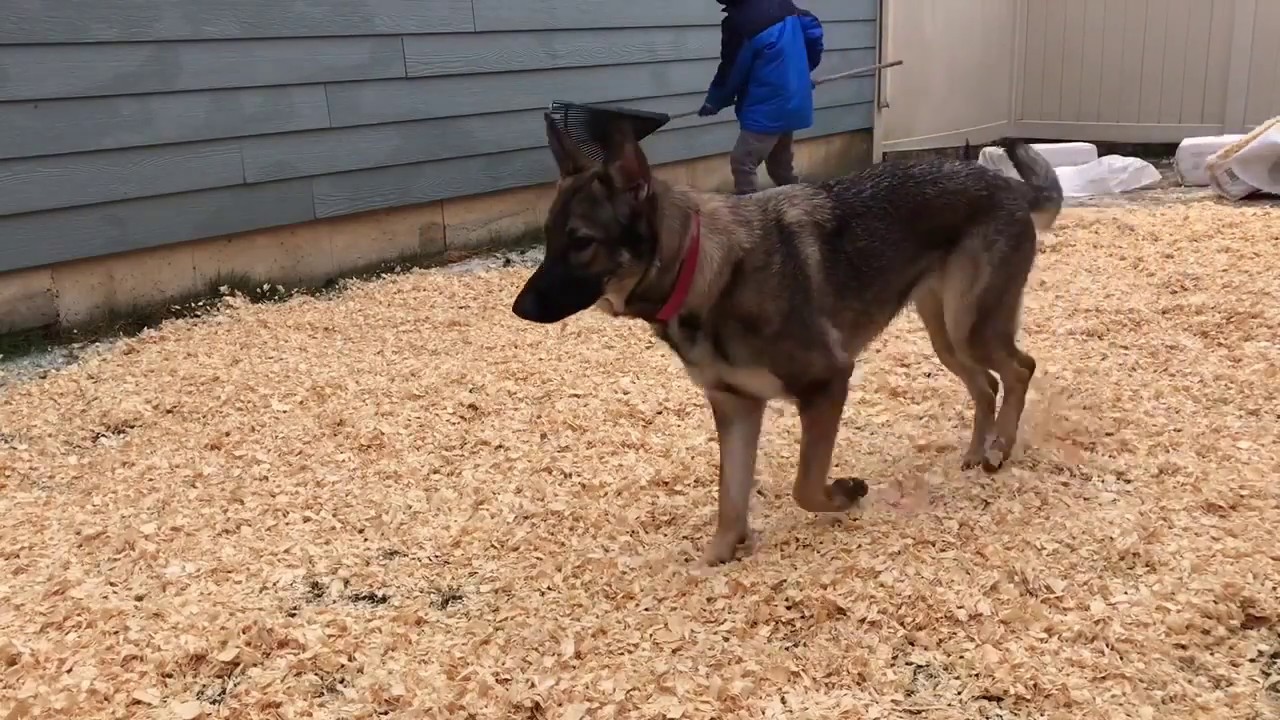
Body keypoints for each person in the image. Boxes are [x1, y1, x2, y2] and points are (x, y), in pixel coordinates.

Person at [699, 0, 824, 195]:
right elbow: (813, 30)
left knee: (743, 162)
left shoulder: (740, 24)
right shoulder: (783, 4)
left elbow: (732, 71)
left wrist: (714, 101)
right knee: (780, 164)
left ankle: (750, 209)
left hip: (768, 106)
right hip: (793, 99)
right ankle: (803, 200)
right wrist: (801, 71)